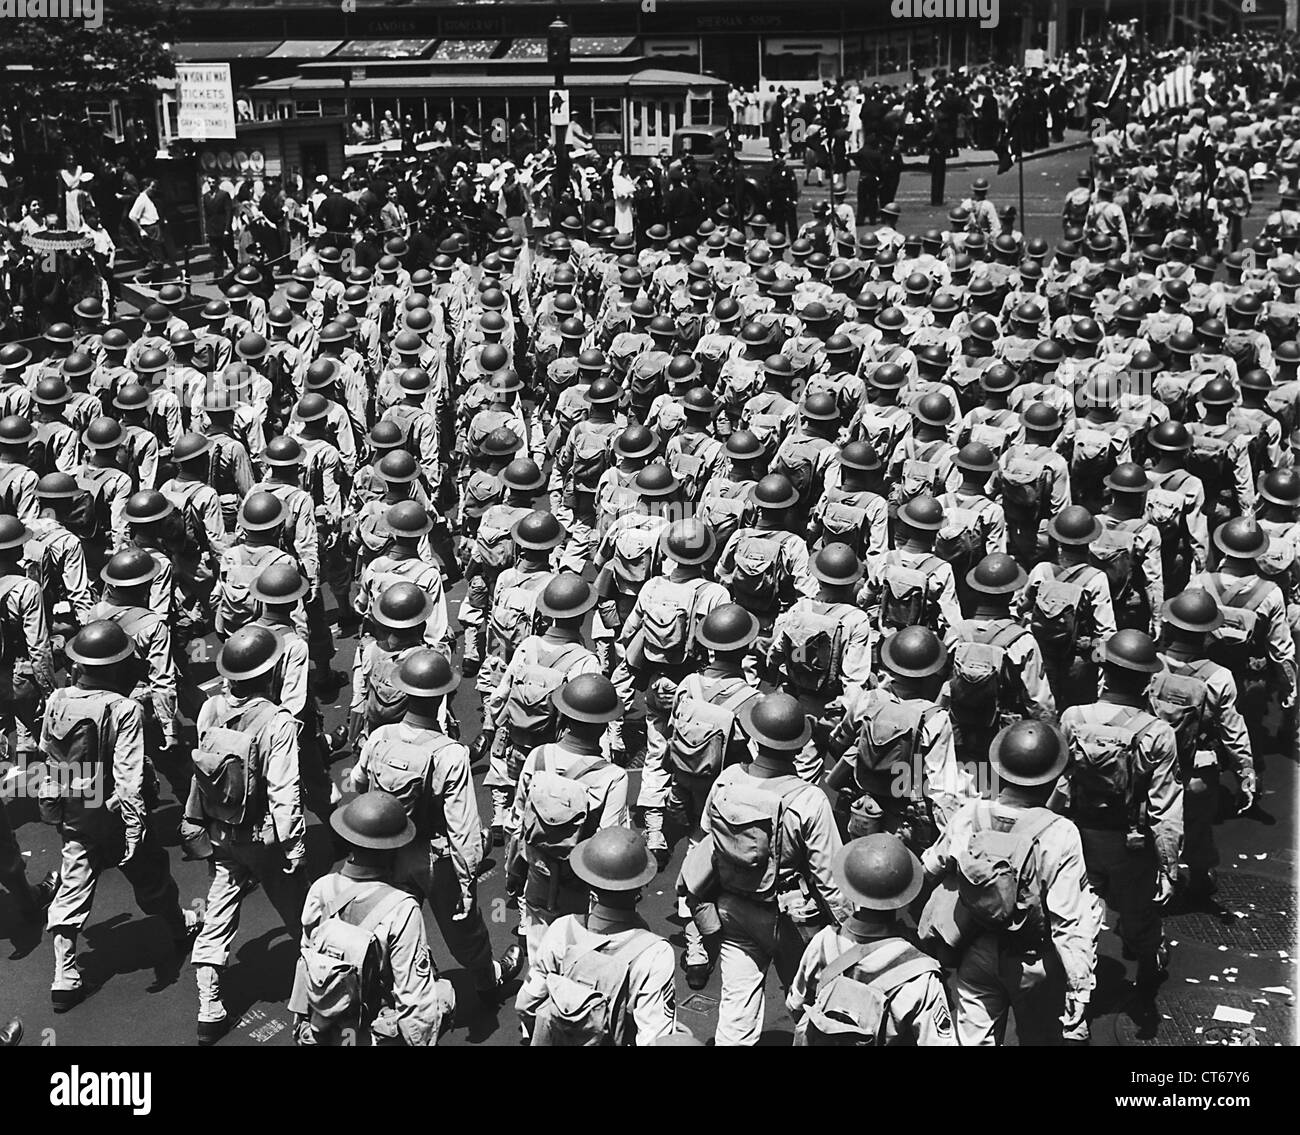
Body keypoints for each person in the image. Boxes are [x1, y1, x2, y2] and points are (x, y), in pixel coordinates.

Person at [41, 622, 200, 1011]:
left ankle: (64, 977)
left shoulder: (58, 699)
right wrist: (134, 826)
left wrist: (53, 806)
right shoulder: (122, 709)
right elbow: (128, 775)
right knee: (150, 874)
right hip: (112, 809)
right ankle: (179, 928)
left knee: (72, 887)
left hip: (76, 808)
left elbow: (46, 755)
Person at [923, 721, 1101, 1046]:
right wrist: (1078, 994)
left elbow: (931, 866)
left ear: (1000, 769)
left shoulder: (971, 813)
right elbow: (1071, 923)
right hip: (1032, 960)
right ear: (1052, 778)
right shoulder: (1060, 832)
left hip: (975, 948)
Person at [686, 691, 847, 1046]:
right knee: (810, 1003)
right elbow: (830, 879)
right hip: (793, 918)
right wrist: (849, 931)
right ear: (797, 746)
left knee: (736, 1007)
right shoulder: (809, 798)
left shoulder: (728, 779)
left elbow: (707, 838)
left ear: (755, 737)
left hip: (732, 906)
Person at [289, 792, 457, 1046]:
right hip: (368, 1029)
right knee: (444, 993)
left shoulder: (322, 888)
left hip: (325, 1019)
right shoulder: (401, 908)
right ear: (394, 849)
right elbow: (413, 1000)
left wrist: (304, 1024)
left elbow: (307, 960)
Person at [788, 833, 956, 1046]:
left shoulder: (824, 941)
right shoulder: (920, 974)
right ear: (905, 894)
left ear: (851, 887)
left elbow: (795, 1004)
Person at [516, 827, 677, 1046]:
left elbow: (526, 1004)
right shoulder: (654, 954)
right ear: (641, 885)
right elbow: (654, 1037)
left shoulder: (562, 930)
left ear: (589, 883)